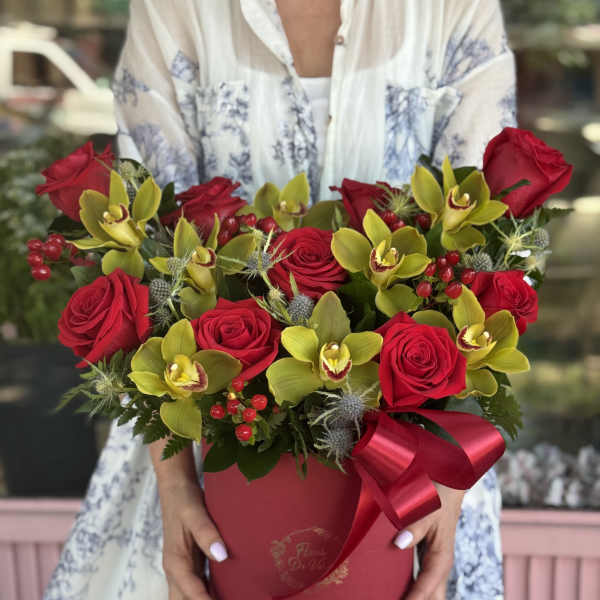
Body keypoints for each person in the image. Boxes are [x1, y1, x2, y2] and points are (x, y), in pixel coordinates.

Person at [44, 1, 516, 599]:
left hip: (421, 474)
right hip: (198, 461)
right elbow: (151, 254)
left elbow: (490, 253)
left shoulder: (453, 7)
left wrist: (449, 479)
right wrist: (176, 485)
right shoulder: (174, 8)